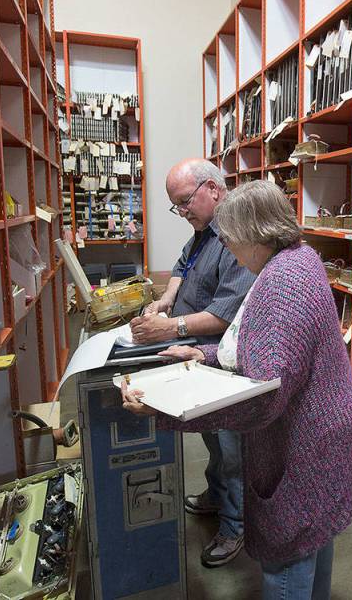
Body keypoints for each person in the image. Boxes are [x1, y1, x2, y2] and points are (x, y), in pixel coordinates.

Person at [123, 180, 352, 599]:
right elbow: (255, 343)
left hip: (305, 444)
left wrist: (165, 411)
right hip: (324, 430)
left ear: (255, 235)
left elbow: (265, 397)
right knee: (314, 541)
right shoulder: (296, 259)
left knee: (288, 559)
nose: (230, 252)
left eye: (231, 241)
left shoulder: (282, 284)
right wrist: (204, 355)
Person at [129, 158, 255, 568]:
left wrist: (167, 329)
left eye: (185, 202)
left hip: (224, 358)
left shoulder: (237, 233)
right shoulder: (203, 230)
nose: (182, 212)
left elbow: (224, 314)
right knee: (212, 439)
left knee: (230, 447)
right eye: (176, 207)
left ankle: (235, 526)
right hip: (196, 355)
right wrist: (166, 300)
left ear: (213, 190)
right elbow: (183, 265)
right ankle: (217, 497)